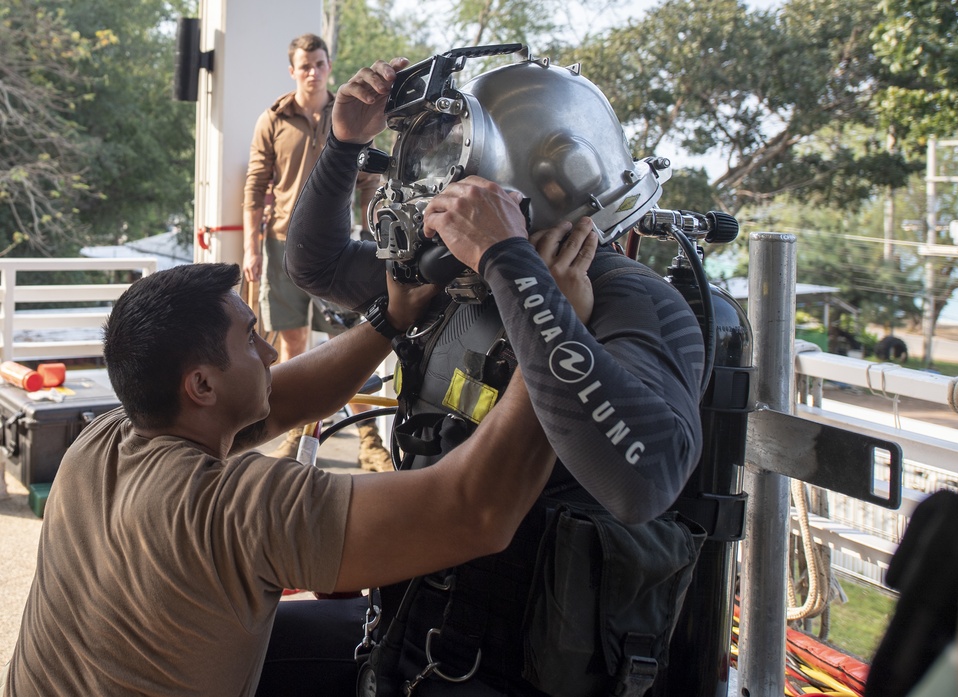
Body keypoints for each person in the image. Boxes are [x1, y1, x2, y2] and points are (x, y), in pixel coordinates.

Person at [285, 53, 707, 696]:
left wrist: (510, 264)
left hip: (520, 663)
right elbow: (316, 267)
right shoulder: (450, 278)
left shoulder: (628, 301)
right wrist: (344, 144)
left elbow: (644, 478)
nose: (433, 204)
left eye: (456, 184)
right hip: (411, 626)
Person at [1, 244, 597, 696]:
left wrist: (391, 319)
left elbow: (282, 396)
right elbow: (475, 512)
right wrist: (552, 336)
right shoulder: (236, 506)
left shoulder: (103, 437)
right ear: (202, 384)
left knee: (347, 625)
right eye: (251, 339)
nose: (268, 353)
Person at [242, 33, 391, 469]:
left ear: (329, 65)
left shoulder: (351, 114)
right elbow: (255, 187)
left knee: (349, 343)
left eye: (319, 63)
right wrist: (252, 250)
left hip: (339, 249)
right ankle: (294, 435)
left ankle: (369, 441)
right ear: (293, 70)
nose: (313, 71)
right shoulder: (273, 118)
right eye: (304, 65)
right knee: (292, 344)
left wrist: (376, 239)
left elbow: (370, 183)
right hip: (280, 243)